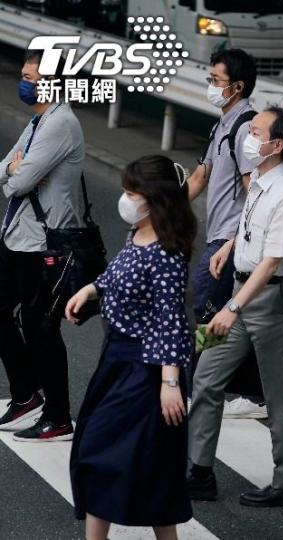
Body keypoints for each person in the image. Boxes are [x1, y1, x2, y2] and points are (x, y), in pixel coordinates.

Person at [66, 155, 196, 540]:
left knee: (118, 458)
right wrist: (91, 288)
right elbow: (119, 273)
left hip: (146, 370)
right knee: (120, 457)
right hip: (117, 360)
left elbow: (169, 319)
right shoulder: (139, 233)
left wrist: (170, 383)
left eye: (131, 193)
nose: (125, 199)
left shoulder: (168, 254)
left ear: (154, 199)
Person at [187, 106, 283, 508]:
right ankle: (199, 472)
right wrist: (228, 246)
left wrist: (232, 308)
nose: (247, 137)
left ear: (278, 145)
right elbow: (249, 225)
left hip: (273, 299)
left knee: (276, 393)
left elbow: (272, 261)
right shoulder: (259, 178)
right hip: (242, 291)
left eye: (255, 132)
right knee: (205, 375)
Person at [0, 50, 85, 441]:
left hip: (43, 243)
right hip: (18, 236)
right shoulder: (40, 119)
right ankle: (25, 394)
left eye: (32, 76)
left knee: (42, 329)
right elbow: (5, 168)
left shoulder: (60, 124)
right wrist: (15, 169)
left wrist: (17, 171)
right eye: (24, 74)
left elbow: (15, 182)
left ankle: (59, 415)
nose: (25, 81)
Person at [185, 48, 267, 420]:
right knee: (221, 313)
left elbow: (256, 193)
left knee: (206, 310)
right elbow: (200, 175)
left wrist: (234, 242)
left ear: (237, 87)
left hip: (230, 240)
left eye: (216, 81)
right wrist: (162, 211)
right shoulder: (223, 123)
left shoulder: (245, 129)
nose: (211, 87)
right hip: (220, 237)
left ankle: (198, 389)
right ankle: (252, 392)